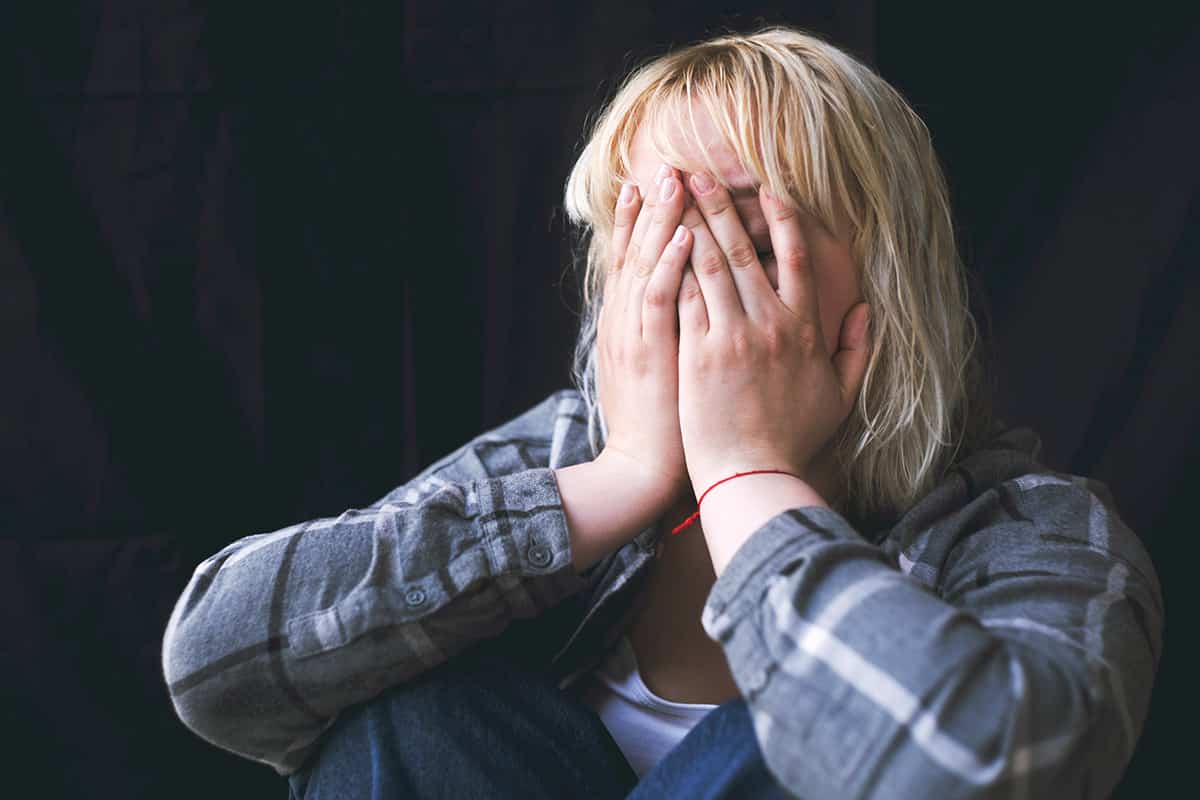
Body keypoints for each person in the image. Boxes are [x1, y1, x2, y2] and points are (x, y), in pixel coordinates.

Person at [161, 25, 1163, 799]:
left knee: (785, 742)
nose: (688, 281)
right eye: (652, 235)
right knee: (406, 722)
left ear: (886, 279)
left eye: (741, 236)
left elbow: (975, 772)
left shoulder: (1039, 532)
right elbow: (216, 661)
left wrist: (745, 478)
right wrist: (620, 480)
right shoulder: (573, 446)